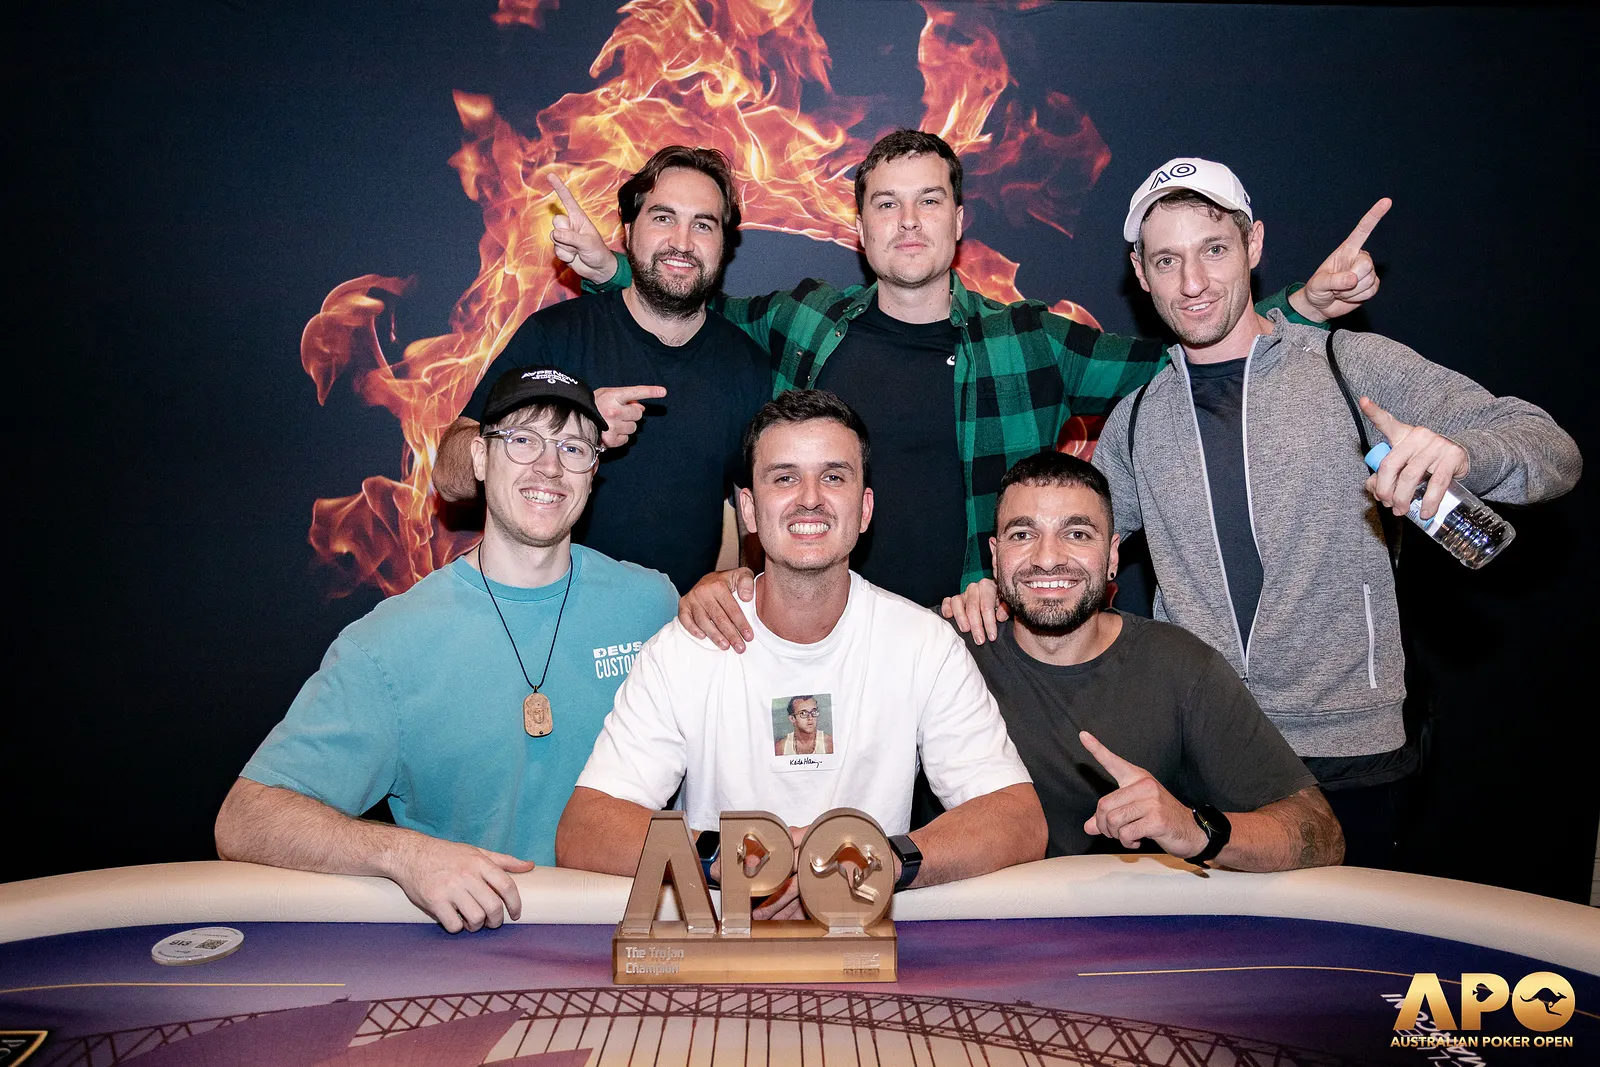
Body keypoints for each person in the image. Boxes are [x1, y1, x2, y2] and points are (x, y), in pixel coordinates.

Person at [950, 158, 1581, 867]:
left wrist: (1462, 455)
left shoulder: (1349, 365)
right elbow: (1072, 555)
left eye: (1214, 250)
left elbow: (1552, 449)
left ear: (1253, 245)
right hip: (1204, 751)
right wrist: (992, 587)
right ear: (1141, 273)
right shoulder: (1135, 419)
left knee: (1349, 942)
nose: (1192, 282)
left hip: (1347, 746)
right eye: (1167, 260)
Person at [553, 129, 1386, 630]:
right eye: (886, 204)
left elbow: (1190, 350)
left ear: (959, 221)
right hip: (824, 643)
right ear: (859, 227)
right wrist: (607, 272)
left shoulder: (1030, 340)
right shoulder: (804, 318)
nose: (908, 222)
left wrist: (1302, 306)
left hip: (978, 646)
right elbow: (687, 308)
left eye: (928, 201)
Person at [216, 367, 679, 932]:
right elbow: (245, 819)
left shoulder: (651, 605)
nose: (549, 466)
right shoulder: (388, 645)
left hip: (640, 942)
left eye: (573, 447)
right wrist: (404, 855)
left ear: (593, 472)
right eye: (523, 440)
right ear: (480, 458)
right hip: (478, 949)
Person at [556, 390, 1047, 915]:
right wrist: (729, 858)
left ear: (865, 508)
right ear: (749, 508)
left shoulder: (923, 644)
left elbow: (1018, 819)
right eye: (784, 477)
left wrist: (880, 860)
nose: (809, 498)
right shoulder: (687, 647)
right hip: (719, 946)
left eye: (833, 477)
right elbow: (585, 828)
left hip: (870, 944)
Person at [966, 450, 1343, 869]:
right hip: (983, 908)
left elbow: (1321, 832)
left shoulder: (1180, 666)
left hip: (1139, 909)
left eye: (1077, 534)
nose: (1048, 557)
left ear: (1112, 556)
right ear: (995, 556)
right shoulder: (946, 652)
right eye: (1023, 534)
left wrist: (1195, 830)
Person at [432, 146, 771, 593]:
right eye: (663, 218)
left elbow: (755, 510)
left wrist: (746, 591)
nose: (683, 242)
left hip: (678, 624)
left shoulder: (746, 366)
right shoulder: (555, 336)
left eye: (703, 224)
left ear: (723, 245)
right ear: (629, 232)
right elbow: (450, 477)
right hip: (547, 615)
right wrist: (573, 425)